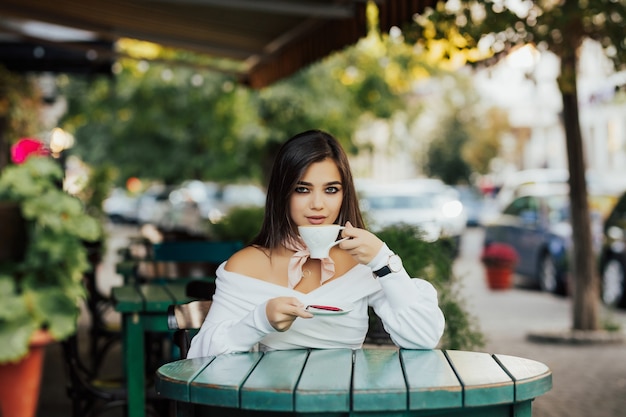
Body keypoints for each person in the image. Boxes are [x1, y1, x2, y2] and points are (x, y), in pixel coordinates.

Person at [187, 130, 445, 357]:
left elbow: (423, 337)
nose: (318, 204)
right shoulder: (246, 265)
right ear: (282, 194)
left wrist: (383, 260)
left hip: (347, 404)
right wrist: (259, 321)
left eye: (331, 189)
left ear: (345, 195)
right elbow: (198, 357)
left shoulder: (363, 262)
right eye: (302, 189)